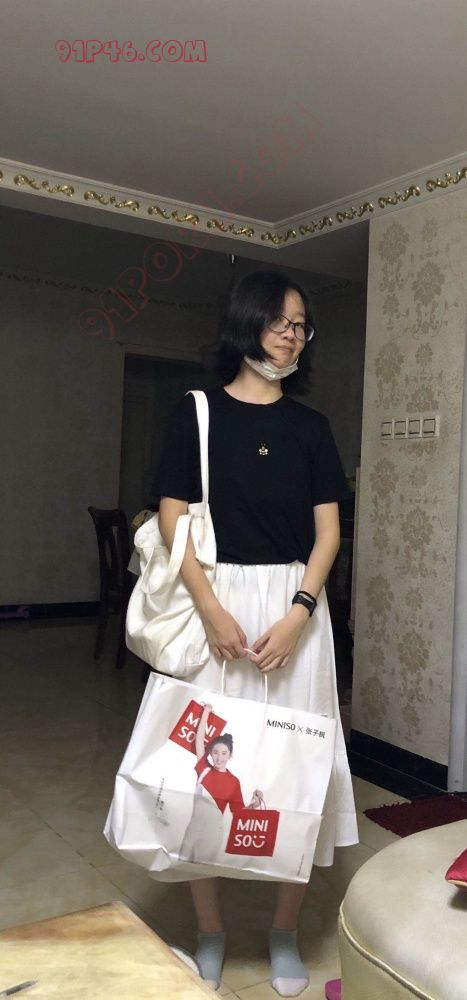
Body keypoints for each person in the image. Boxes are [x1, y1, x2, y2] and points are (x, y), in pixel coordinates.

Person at [152, 270, 358, 997]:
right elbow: (173, 516)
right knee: (202, 772)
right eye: (279, 321)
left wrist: (299, 613)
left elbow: (329, 532)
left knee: (293, 771)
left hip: (293, 609)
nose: (291, 335)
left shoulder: (311, 427)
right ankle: (210, 932)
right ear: (247, 323)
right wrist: (210, 608)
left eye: (301, 325)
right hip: (217, 599)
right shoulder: (197, 412)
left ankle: (282, 933)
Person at [180, 703, 263, 863]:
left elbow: (239, 813)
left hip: (212, 836)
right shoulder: (204, 769)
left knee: (201, 871)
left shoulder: (233, 782)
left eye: (224, 753)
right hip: (191, 831)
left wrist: (255, 804)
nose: (219, 757)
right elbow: (199, 741)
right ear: (211, 753)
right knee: (180, 866)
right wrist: (206, 712)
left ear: (230, 755)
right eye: (215, 752)